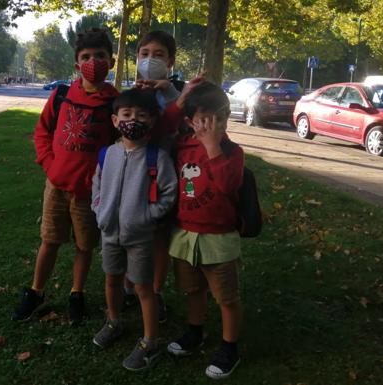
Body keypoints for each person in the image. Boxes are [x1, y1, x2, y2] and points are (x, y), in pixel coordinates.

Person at [11, 28, 119, 325]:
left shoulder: (116, 103)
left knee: (85, 246)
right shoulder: (61, 96)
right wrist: (49, 164)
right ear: (76, 65)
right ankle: (36, 291)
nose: (93, 62)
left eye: (99, 56)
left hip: (88, 193)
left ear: (111, 61)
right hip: (56, 187)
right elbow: (43, 130)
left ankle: (76, 293)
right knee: (50, 240)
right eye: (85, 57)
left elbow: (123, 145)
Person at [91, 88, 177, 371]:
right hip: (109, 232)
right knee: (112, 278)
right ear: (115, 121)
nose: (133, 120)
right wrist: (99, 209)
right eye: (127, 115)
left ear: (152, 121)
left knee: (143, 287)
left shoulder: (157, 156)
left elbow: (169, 192)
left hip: (140, 236)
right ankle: (114, 321)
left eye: (141, 115)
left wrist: (147, 216)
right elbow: (97, 186)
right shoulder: (107, 155)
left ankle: (150, 341)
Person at [167, 82, 245, 380]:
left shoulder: (231, 151)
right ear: (189, 122)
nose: (213, 126)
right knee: (193, 289)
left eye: (220, 119)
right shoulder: (181, 146)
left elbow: (227, 188)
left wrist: (212, 146)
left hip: (218, 238)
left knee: (225, 296)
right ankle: (195, 330)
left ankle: (229, 346)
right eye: (204, 120)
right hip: (186, 234)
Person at [123, 30, 181, 323]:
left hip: (165, 174)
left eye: (158, 55)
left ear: (170, 61)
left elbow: (182, 118)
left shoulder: (179, 95)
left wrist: (168, 92)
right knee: (130, 229)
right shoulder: (131, 95)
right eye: (144, 54)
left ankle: (155, 290)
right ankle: (129, 284)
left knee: (159, 236)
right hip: (134, 173)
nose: (150, 60)